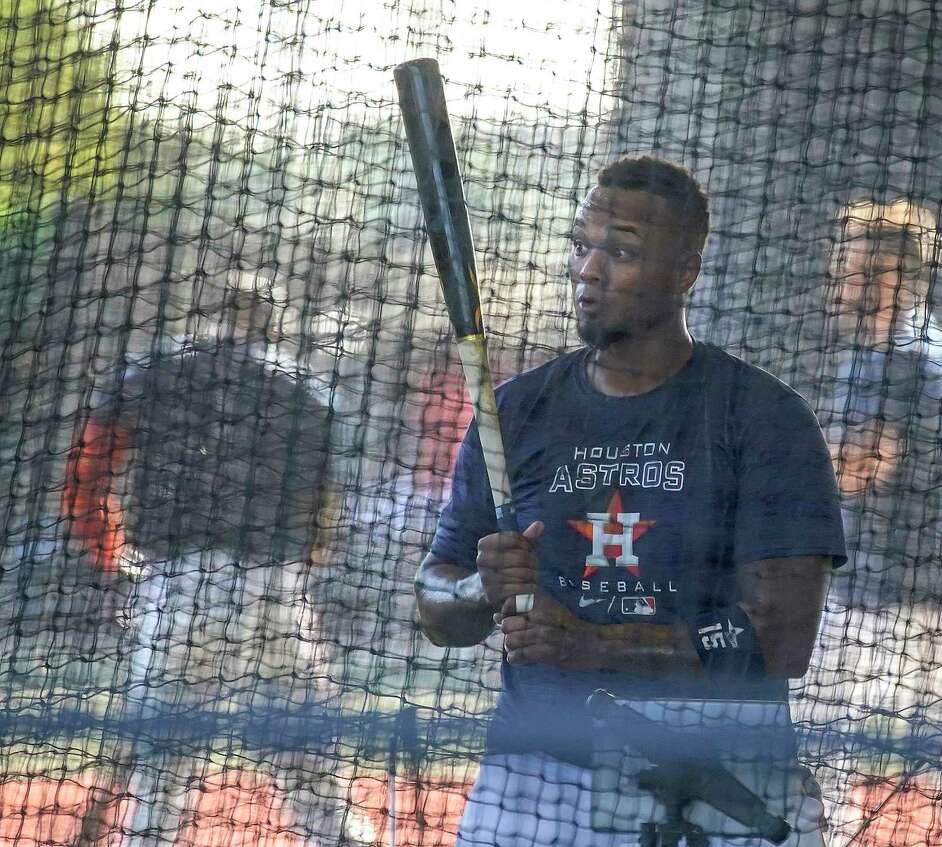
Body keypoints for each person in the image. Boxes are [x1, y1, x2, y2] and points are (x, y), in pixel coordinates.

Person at [414, 156, 846, 846]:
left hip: (715, 778)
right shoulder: (516, 412)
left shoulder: (761, 417)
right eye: (582, 245)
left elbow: (781, 637)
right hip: (535, 780)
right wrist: (477, 586)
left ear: (686, 271)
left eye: (621, 250)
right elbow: (436, 604)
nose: (589, 268)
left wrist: (593, 644)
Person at [62, 280, 374, 847]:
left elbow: (86, 474)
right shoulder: (307, 389)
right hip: (275, 587)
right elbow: (326, 512)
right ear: (272, 322)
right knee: (306, 755)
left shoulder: (150, 374)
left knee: (160, 771)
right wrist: (302, 570)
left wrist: (110, 557)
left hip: (177, 587)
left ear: (204, 314)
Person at [807, 199, 942, 841]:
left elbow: (866, 463)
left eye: (854, 268)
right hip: (909, 578)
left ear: (891, 276)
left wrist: (770, 481)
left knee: (829, 734)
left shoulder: (903, 354)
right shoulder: (891, 347)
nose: (841, 279)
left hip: (902, 590)